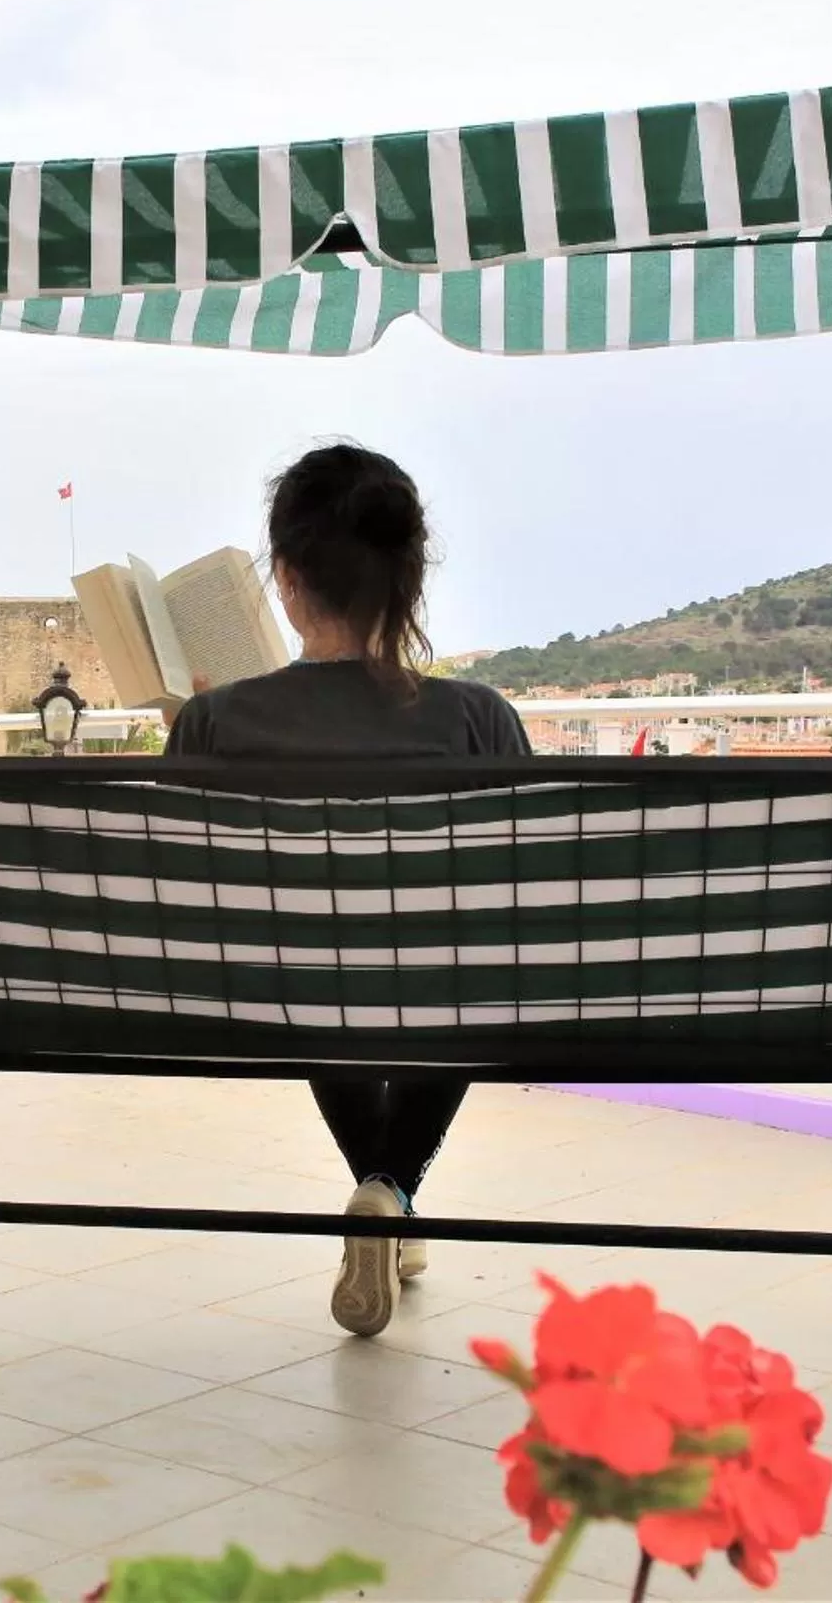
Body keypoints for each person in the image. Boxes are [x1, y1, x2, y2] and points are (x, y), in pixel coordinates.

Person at [166, 442, 528, 1336]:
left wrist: (188, 727)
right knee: (456, 991)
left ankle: (384, 1191)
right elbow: (527, 891)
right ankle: (390, 1188)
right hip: (441, 997)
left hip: (274, 998)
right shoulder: (477, 719)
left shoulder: (216, 719)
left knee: (314, 974)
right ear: (407, 579)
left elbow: (176, 878)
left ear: (284, 577)